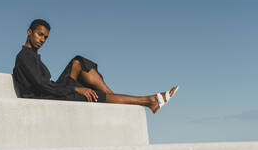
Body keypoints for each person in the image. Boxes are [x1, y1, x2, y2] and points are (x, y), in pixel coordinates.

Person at [12, 19, 178, 113]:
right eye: (40, 34)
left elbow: (46, 84)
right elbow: (41, 85)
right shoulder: (24, 57)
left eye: (46, 37)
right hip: (43, 98)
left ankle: (114, 97)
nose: (42, 39)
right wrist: (75, 89)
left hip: (51, 91)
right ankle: (148, 101)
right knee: (91, 94)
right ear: (29, 32)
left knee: (78, 62)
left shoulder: (33, 56)